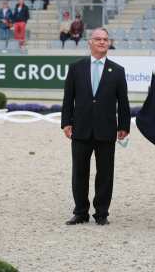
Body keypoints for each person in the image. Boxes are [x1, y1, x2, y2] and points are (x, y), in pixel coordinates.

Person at [61, 28, 130, 226]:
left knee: (105, 174)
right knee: (79, 173)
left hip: (107, 130)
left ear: (109, 43)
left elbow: (123, 102)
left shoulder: (117, 71)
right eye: (98, 39)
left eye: (105, 39)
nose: (102, 42)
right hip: (80, 130)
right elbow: (68, 99)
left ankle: (101, 213)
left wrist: (124, 125)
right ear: (89, 42)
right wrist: (66, 122)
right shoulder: (76, 68)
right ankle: (80, 212)